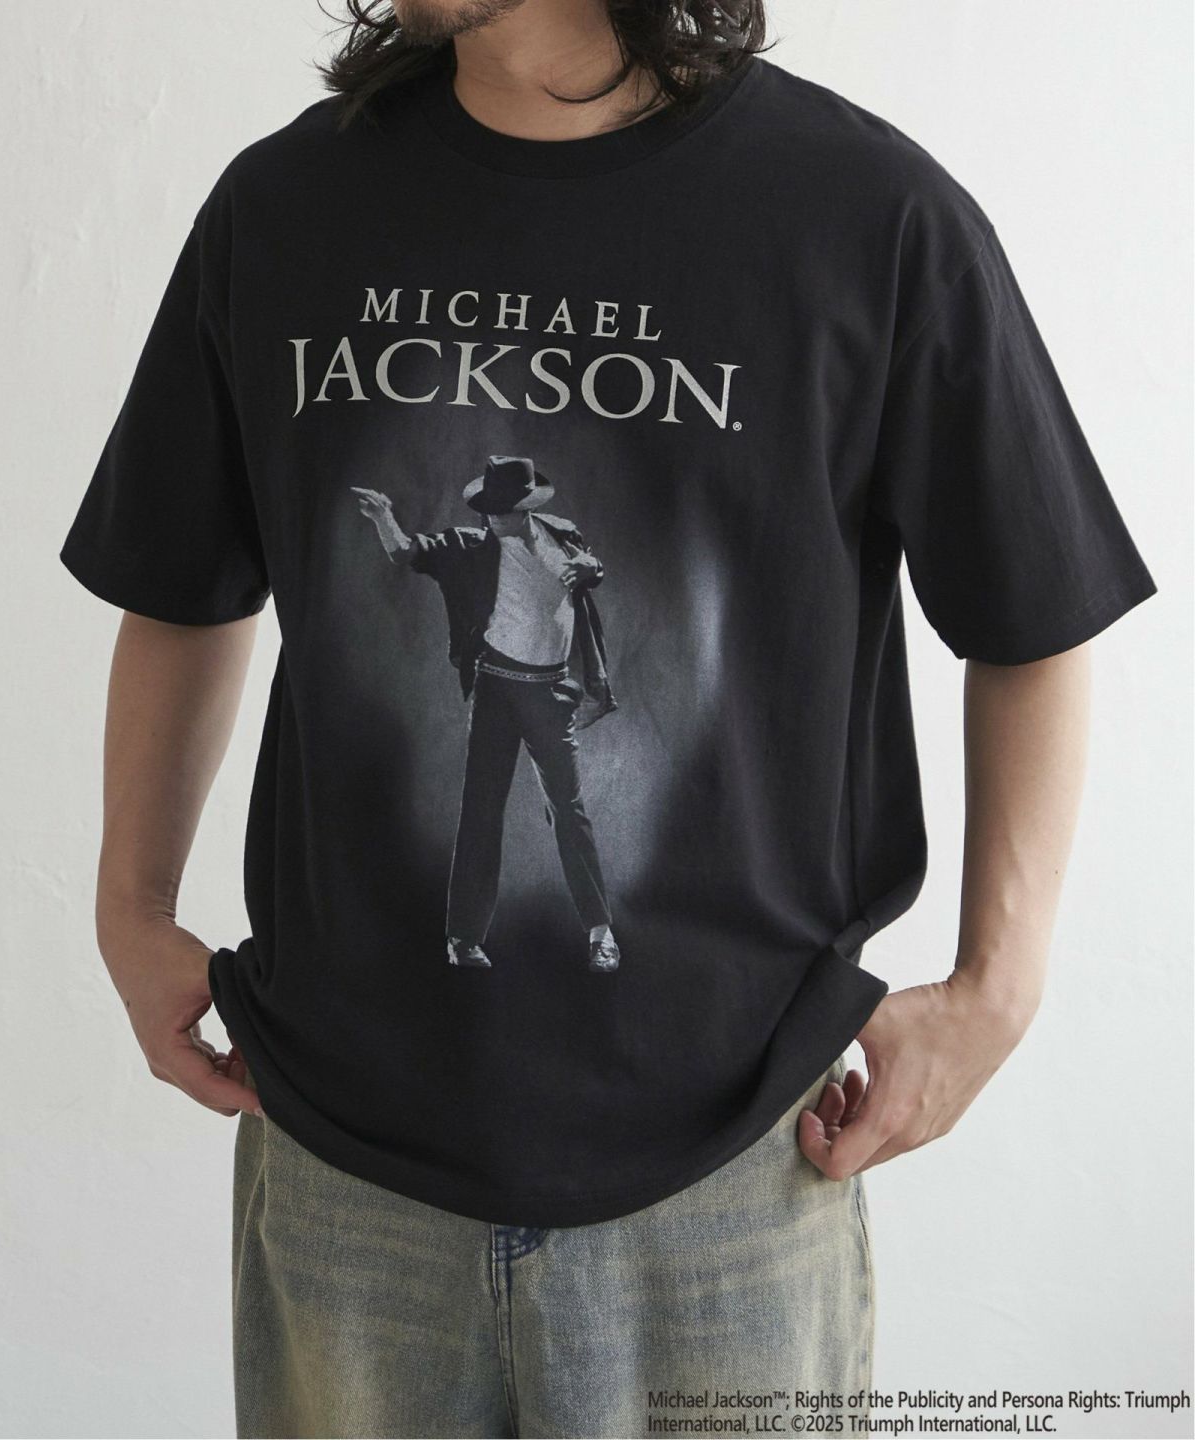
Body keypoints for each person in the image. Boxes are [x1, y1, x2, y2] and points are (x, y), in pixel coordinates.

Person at [58, 0, 1158, 1434]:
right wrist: (130, 910)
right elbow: (184, 582)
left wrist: (996, 990)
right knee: (485, 821)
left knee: (569, 823)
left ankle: (587, 920)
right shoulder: (282, 207)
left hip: (731, 1172)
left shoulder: (867, 216)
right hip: (342, 1165)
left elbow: (1036, 609)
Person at [352, 454, 620, 969]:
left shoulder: (562, 534)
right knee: (481, 810)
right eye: (487, 509)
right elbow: (407, 552)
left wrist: (593, 568)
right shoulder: (469, 546)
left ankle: (601, 934)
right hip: (497, 688)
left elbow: (591, 571)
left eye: (501, 510)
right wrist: (385, 518)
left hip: (551, 693)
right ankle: (463, 940)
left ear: (525, 508)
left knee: (569, 811)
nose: (491, 518)